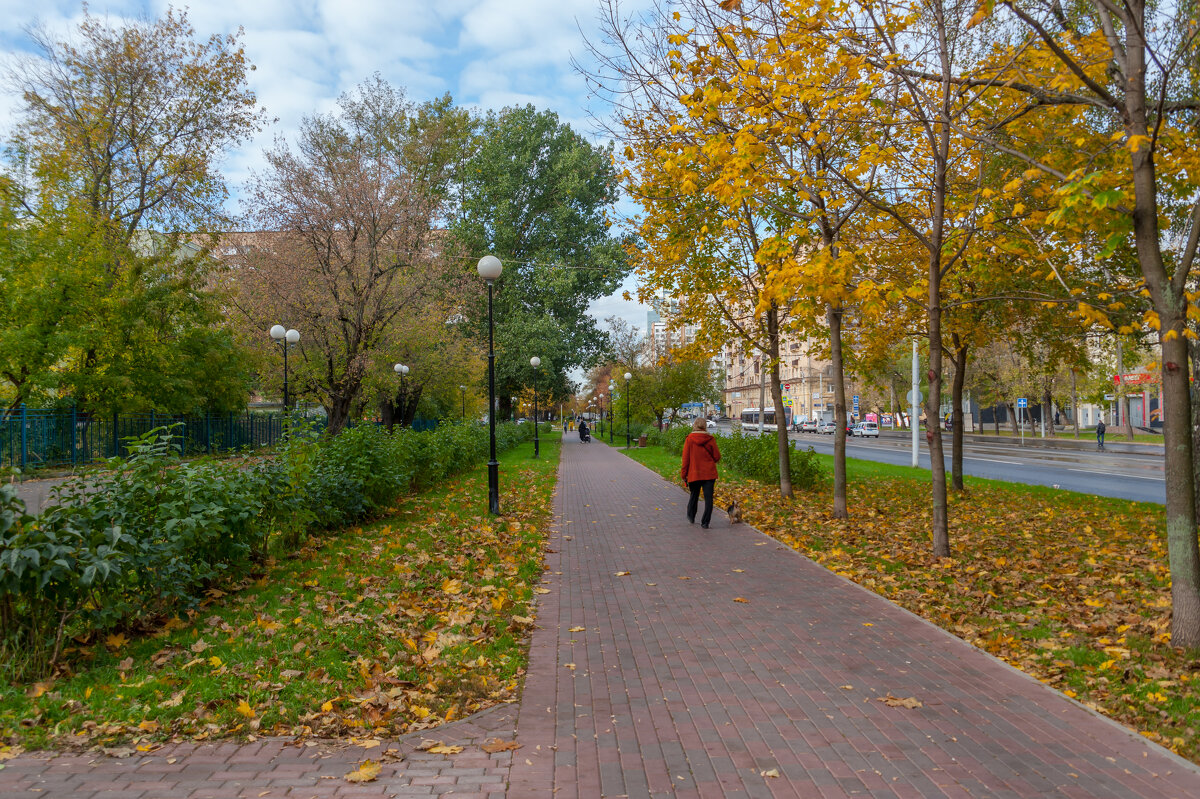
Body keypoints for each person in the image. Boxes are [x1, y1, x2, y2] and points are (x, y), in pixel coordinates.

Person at [681, 416, 721, 528]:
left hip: (694, 473)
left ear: (695, 425)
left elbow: (685, 459)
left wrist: (684, 475)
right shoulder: (710, 439)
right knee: (709, 499)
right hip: (709, 473)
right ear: (705, 426)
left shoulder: (689, 439)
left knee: (694, 495)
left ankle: (691, 516)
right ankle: (705, 522)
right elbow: (717, 456)